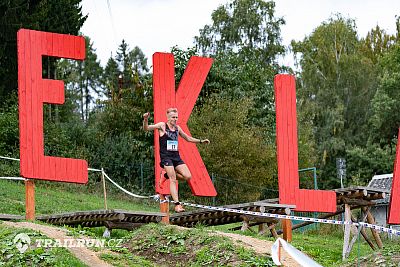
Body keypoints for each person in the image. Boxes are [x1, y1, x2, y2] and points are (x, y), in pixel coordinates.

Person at [143, 107, 209, 212]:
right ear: (168, 117)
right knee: (173, 179)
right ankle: (177, 205)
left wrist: (201, 141)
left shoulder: (178, 128)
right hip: (166, 157)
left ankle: (165, 176)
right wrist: (145, 119)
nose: (175, 119)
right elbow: (147, 128)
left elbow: (188, 138)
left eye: (176, 117)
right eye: (173, 117)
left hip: (176, 157)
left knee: (187, 176)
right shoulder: (162, 126)